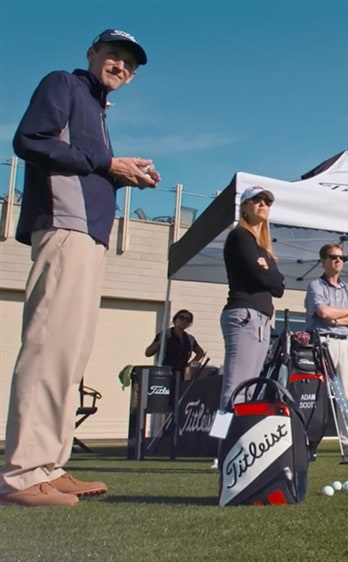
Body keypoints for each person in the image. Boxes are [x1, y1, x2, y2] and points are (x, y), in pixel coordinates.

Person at [1, 29, 158, 507]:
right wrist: (109, 164)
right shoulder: (63, 85)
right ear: (92, 54)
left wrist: (127, 173)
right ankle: (21, 475)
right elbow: (29, 140)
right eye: (113, 55)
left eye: (128, 63)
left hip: (90, 236)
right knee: (49, 347)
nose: (120, 66)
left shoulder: (98, 109)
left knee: (71, 355)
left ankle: (49, 464)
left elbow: (94, 162)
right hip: (63, 228)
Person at [220, 186, 285, 410]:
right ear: (245, 206)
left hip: (262, 319)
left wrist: (267, 271)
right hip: (245, 316)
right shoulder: (240, 236)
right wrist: (266, 272)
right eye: (256, 200)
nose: (263, 205)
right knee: (235, 388)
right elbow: (263, 277)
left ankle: (238, 439)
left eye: (267, 202)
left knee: (248, 389)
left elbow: (278, 286)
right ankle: (222, 441)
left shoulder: (265, 248)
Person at [305, 243, 348, 408]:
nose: (338, 260)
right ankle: (313, 433)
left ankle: (347, 435)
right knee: (317, 392)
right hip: (323, 341)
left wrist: (337, 320)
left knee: (346, 395)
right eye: (333, 257)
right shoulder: (315, 286)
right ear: (323, 261)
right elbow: (323, 312)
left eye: (341, 258)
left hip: (345, 341)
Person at [145, 309, 207, 378]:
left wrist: (189, 365)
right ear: (175, 319)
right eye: (181, 318)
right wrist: (160, 342)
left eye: (187, 320)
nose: (184, 321)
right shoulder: (165, 334)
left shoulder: (190, 339)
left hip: (182, 373)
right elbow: (148, 353)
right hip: (166, 372)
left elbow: (200, 352)